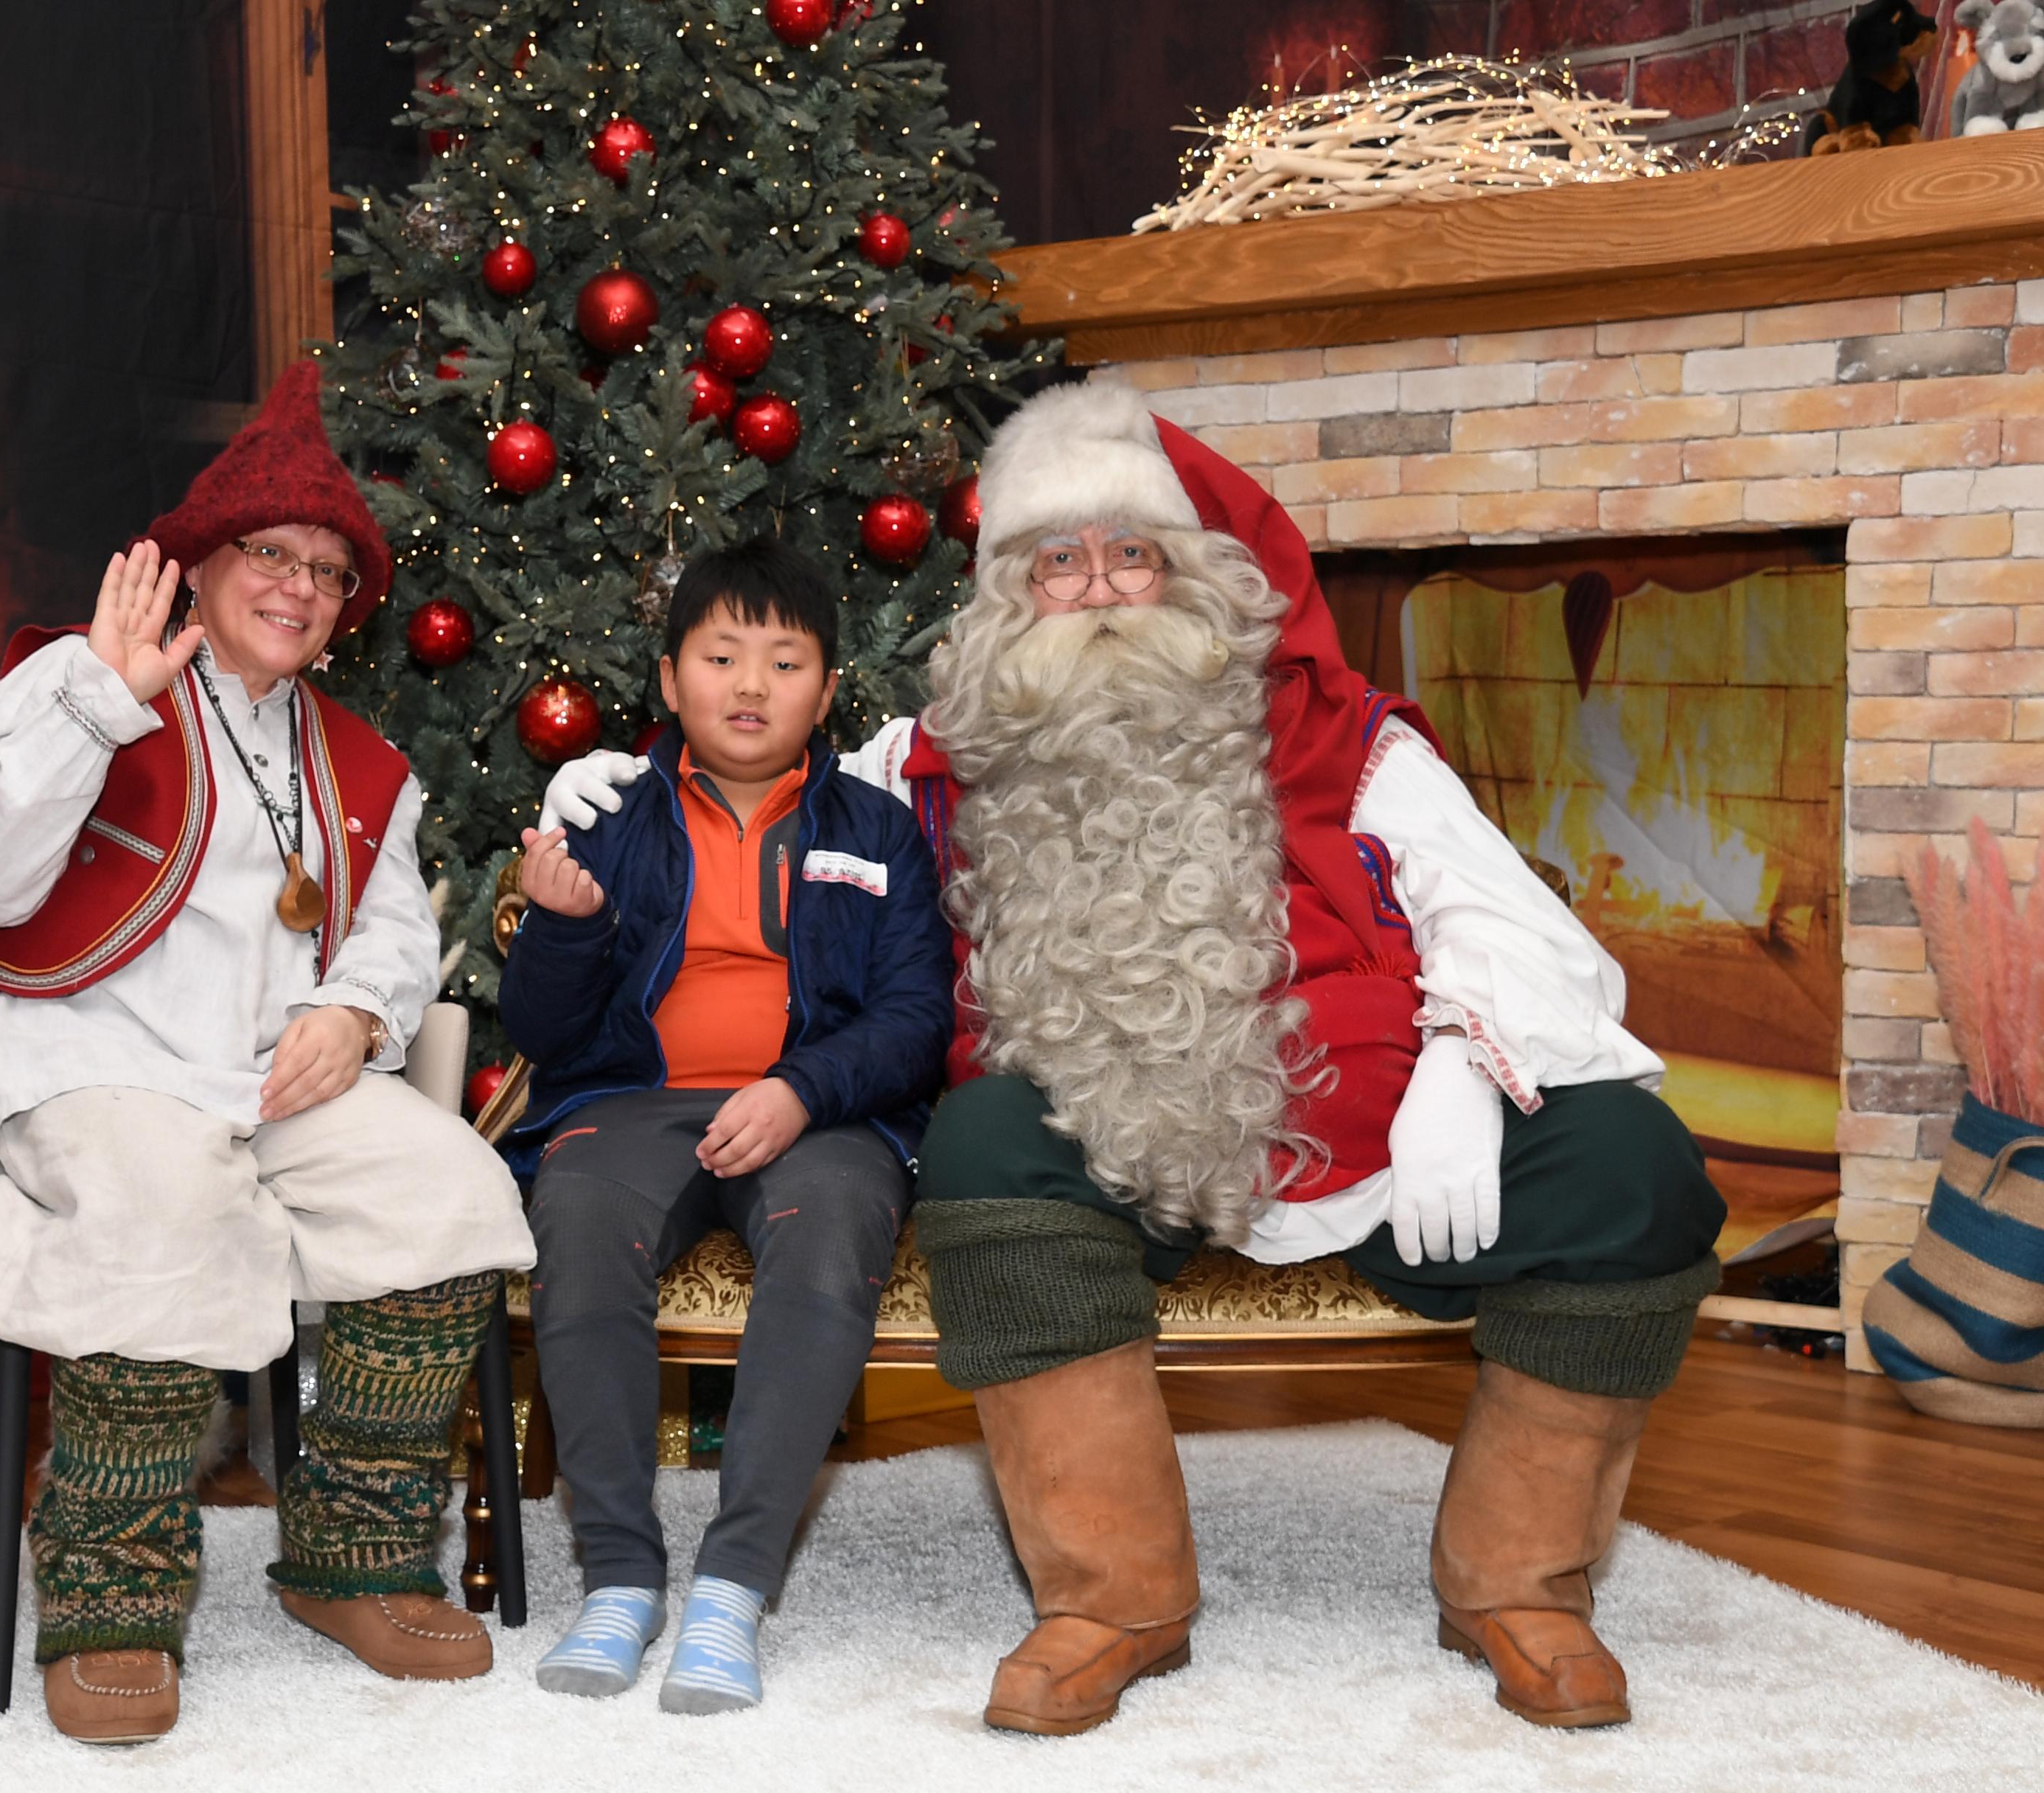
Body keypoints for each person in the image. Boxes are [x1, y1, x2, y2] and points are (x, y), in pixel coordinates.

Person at [539, 382, 1724, 1736]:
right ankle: (1113, 1595)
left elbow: (1518, 931)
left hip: (1372, 1131)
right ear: (1008, 595)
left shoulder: (1351, 744)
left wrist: (1465, 1069)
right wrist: (608, 790)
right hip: (1104, 1147)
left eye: (1132, 553)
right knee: (987, 1147)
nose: (1097, 589)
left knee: (1638, 1166)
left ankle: (1521, 1585)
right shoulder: (929, 763)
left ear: (1198, 576)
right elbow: (749, 771)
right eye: (1058, 559)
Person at [0, 363, 535, 1745]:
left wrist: (355, 1016)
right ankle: (109, 1597)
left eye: (327, 572)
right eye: (268, 555)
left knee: (455, 1201)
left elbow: (401, 932)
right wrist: (103, 708)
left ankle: (351, 1559)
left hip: (276, 1080)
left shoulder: (359, 763)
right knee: (163, 1215)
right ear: (200, 563)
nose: (297, 586)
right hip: (92, 1061)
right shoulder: (74, 678)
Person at [499, 538, 953, 1714]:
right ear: (668, 680)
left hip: (821, 1114)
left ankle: (734, 1588)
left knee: (830, 1229)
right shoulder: (606, 818)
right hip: (627, 1107)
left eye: (785, 661)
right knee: (582, 1228)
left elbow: (915, 1021)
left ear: (827, 691)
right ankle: (620, 1577)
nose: (751, 686)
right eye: (721, 657)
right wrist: (558, 928)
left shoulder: (880, 832)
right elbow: (545, 1032)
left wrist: (803, 1088)